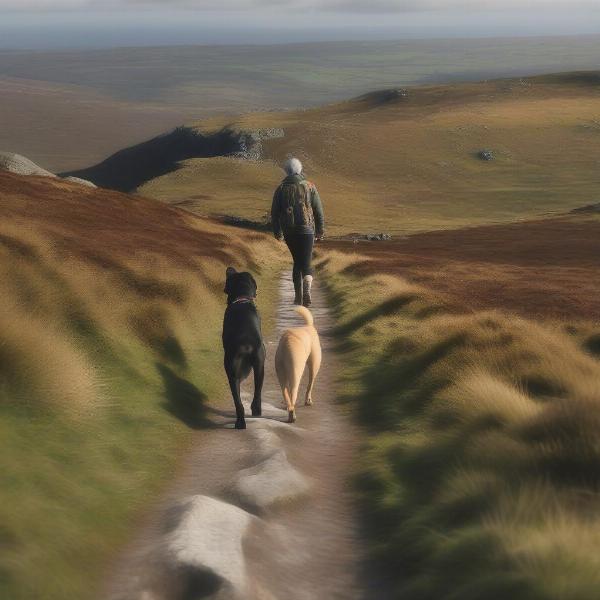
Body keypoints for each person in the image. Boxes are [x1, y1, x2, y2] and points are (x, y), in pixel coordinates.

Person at [271, 158, 325, 307]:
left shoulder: (280, 189)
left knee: (297, 262)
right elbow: (318, 210)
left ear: (286, 171)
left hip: (289, 231)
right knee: (306, 263)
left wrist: (278, 233)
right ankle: (307, 286)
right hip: (307, 230)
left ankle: (297, 298)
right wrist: (320, 230)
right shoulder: (310, 186)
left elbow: (274, 214)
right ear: (300, 170)